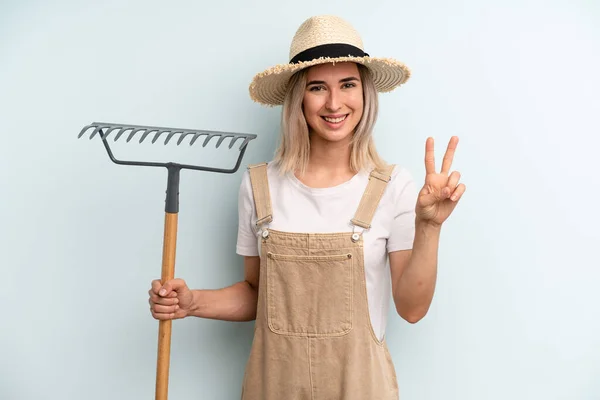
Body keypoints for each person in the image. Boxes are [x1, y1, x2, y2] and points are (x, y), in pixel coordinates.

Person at [148, 14, 465, 399]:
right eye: (318, 87)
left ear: (365, 93)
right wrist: (192, 301)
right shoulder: (259, 185)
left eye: (347, 84)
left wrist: (429, 227)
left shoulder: (393, 186)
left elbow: (412, 309)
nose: (334, 103)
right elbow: (256, 292)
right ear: (299, 97)